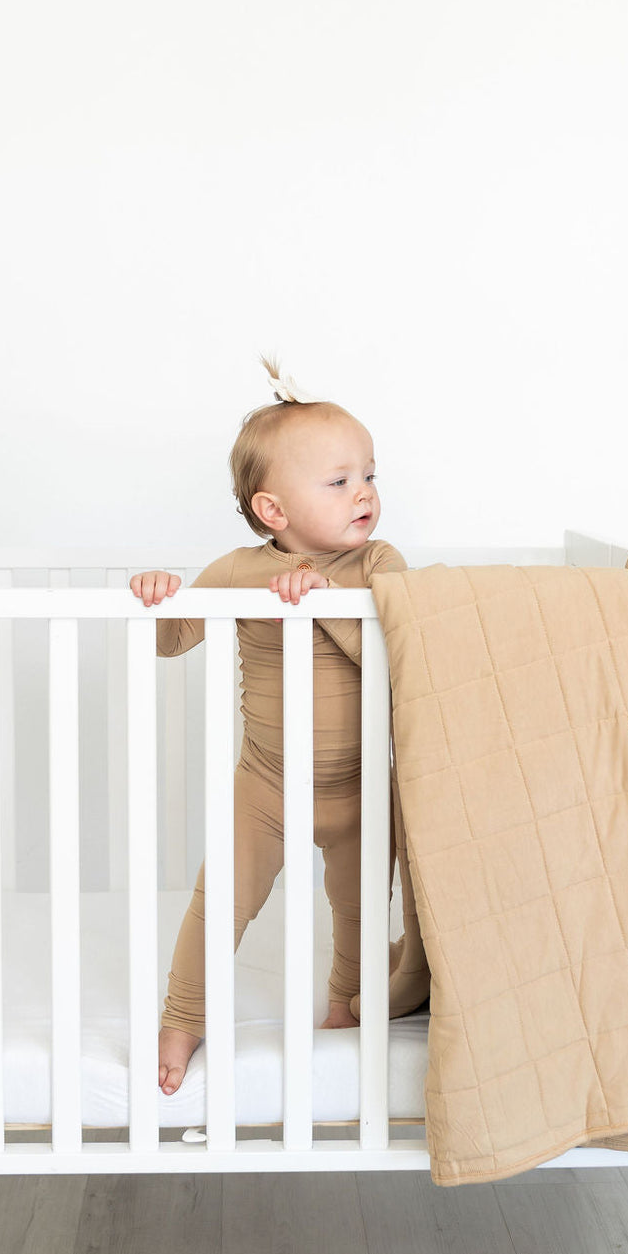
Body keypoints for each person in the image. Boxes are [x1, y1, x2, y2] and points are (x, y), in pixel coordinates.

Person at [131, 357, 410, 1094]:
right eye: (340, 480)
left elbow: (408, 641)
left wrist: (322, 597)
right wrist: (160, 597)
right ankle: (183, 1014)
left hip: (361, 787)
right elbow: (170, 640)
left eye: (371, 475)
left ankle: (347, 1003)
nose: (365, 494)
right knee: (220, 900)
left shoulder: (381, 564)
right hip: (267, 785)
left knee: (357, 909)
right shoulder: (236, 573)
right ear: (273, 512)